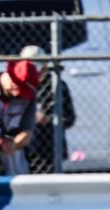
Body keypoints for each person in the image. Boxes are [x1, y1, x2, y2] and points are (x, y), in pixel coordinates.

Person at [19, 45, 76, 174]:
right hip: (22, 148)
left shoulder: (57, 86)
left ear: (45, 66)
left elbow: (70, 118)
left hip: (48, 151)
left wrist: (48, 119)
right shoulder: (17, 87)